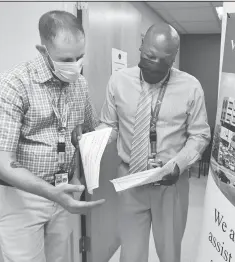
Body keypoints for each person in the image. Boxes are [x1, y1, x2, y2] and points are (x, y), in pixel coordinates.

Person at [72, 23, 211, 262]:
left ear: (174, 57)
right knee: (131, 254)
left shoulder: (191, 87)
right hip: (130, 181)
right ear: (141, 46)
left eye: (163, 60)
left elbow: (200, 135)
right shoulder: (118, 81)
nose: (155, 64)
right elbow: (110, 125)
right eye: (149, 56)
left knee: (169, 252)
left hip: (170, 184)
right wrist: (90, 136)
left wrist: (178, 165)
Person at [0, 10, 105, 262]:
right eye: (66, 59)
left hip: (63, 192)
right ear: (42, 50)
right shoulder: (12, 84)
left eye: (80, 57)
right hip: (22, 198)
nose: (75, 66)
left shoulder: (79, 84)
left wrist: (81, 166)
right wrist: (50, 193)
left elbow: (87, 131)